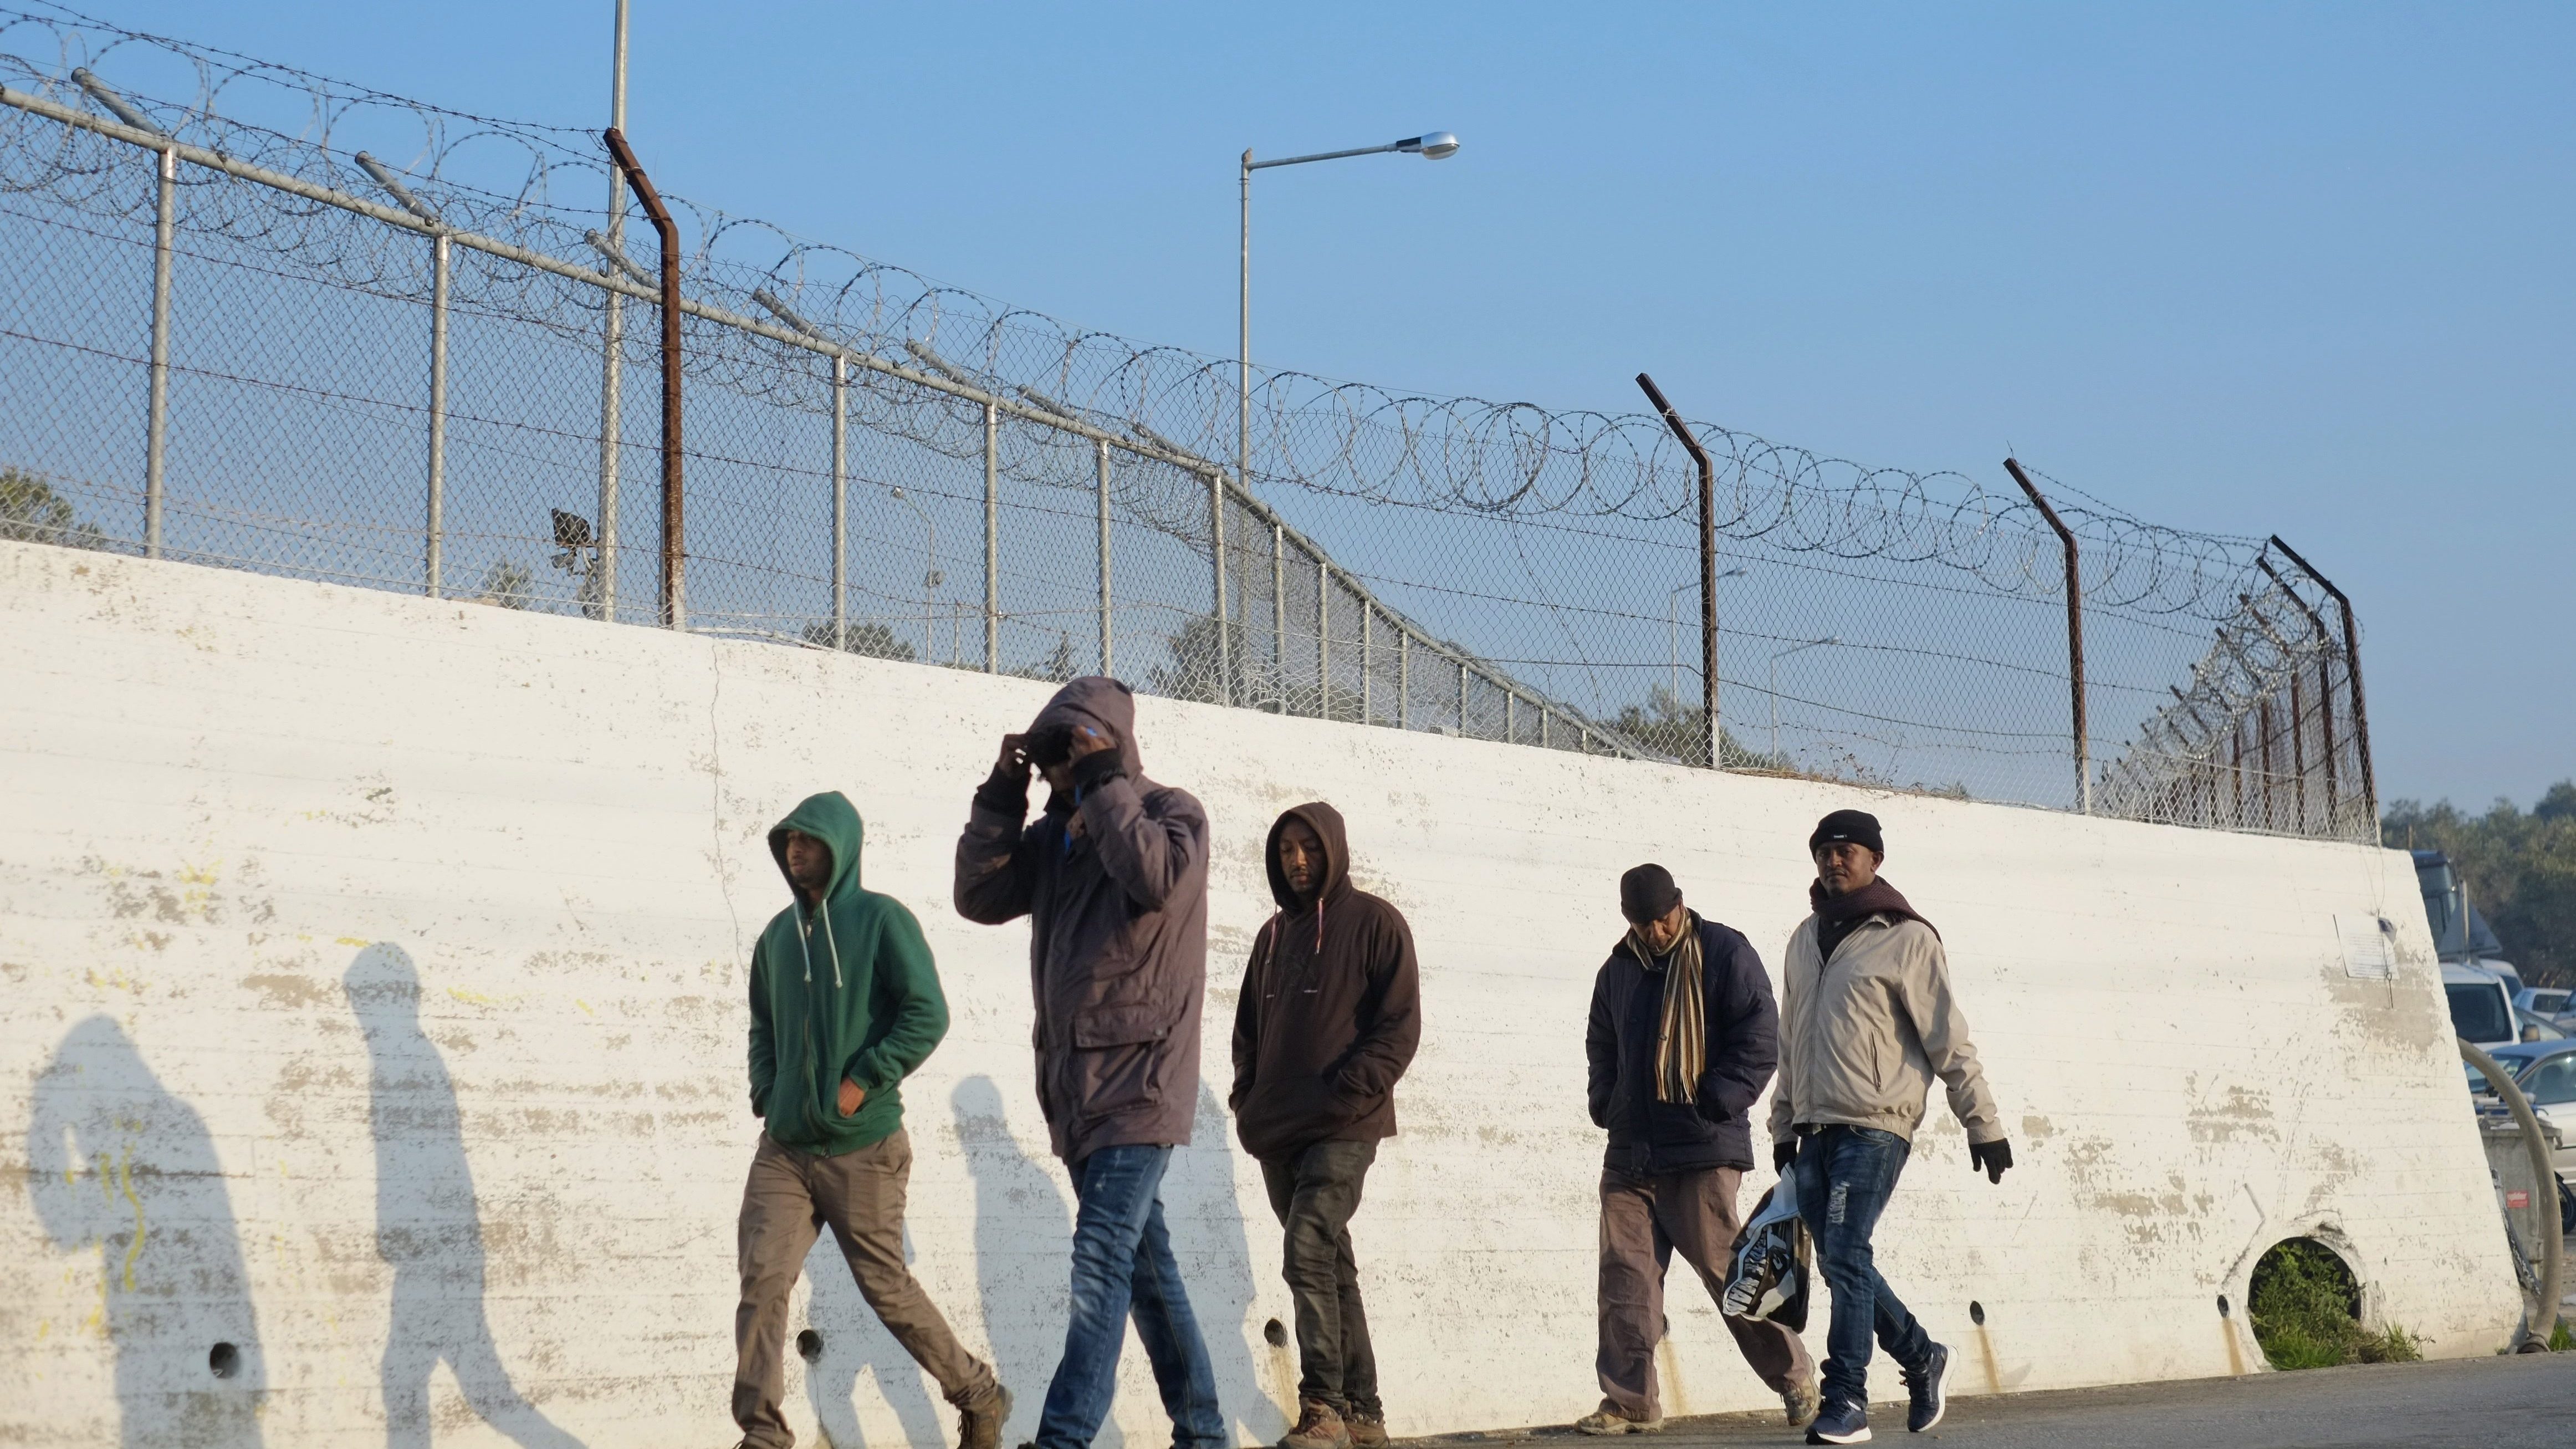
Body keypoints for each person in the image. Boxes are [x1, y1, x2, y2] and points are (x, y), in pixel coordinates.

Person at [953, 677, 1225, 1449]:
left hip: (1142, 1080)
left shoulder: (1172, 814)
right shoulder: (1053, 840)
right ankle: (1205, 1434)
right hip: (1076, 1089)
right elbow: (978, 896)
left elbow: (1156, 878)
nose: (1059, 767)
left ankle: (1063, 1437)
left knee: (1100, 1260)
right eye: (1052, 754)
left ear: (1111, 744)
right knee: (1147, 1275)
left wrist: (1105, 781)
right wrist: (1002, 796)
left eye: (1073, 748)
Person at [735, 790, 1010, 1449]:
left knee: (886, 1287)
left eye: (809, 839)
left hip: (864, 1146)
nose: (796, 849)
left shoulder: (882, 920)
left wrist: (863, 1079)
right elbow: (763, 1027)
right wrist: (768, 1090)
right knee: (761, 1282)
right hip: (785, 1148)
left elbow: (926, 1012)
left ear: (841, 847)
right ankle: (763, 1436)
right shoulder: (777, 937)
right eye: (789, 839)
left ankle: (979, 1395)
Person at [1769, 810, 2012, 1446]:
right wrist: (1782, 1125)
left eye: (1846, 851)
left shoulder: (1906, 937)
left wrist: (1982, 1123)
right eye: (1823, 851)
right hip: (1815, 1127)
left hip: (1876, 1124)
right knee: (1839, 1261)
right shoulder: (1803, 938)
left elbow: (1947, 1038)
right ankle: (1922, 1355)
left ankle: (1847, 1398)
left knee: (1846, 1252)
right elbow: (1790, 1040)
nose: (1833, 861)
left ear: (1874, 859)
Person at [1576, 864, 1820, 1437]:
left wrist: (1718, 1098)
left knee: (1728, 1272)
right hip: (1630, 1149)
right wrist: (1604, 1100)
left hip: (1702, 1144)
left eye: (1663, 920)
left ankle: (1794, 1376)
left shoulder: (1723, 951)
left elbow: (1760, 1033)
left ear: (1679, 905)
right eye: (1643, 924)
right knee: (1624, 1279)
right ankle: (1630, 1402)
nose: (1656, 932)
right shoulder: (1617, 969)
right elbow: (1601, 1041)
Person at [1231, 804, 1423, 1449]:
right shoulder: (1271, 937)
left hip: (1346, 1124)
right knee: (1332, 1263)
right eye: (1287, 849)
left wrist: (1351, 1088)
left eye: (1309, 847)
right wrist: (1247, 1099)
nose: (1297, 860)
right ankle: (1363, 1413)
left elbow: (1399, 1026)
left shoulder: (1375, 923)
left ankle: (1322, 1407)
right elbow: (1246, 1034)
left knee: (1306, 1248)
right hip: (1277, 1131)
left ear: (1333, 849)